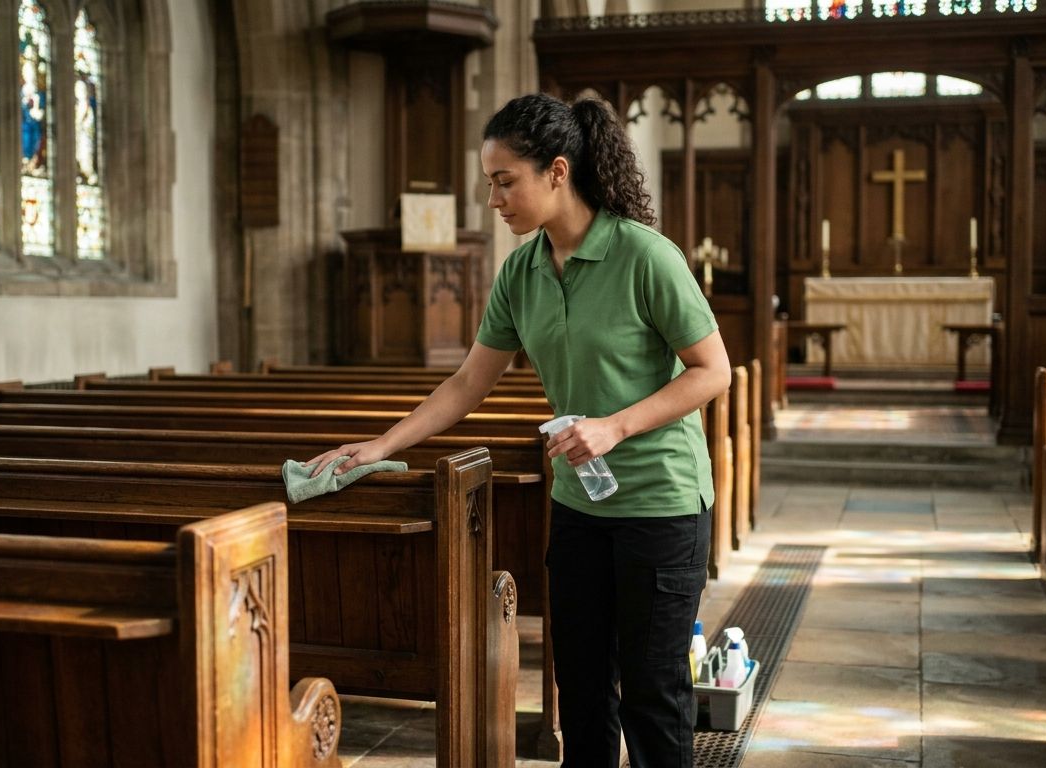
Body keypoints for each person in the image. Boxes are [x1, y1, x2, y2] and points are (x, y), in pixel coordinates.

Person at [308, 92, 730, 766]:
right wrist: (381, 445)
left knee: (654, 695)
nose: (495, 200)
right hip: (579, 506)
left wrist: (614, 427)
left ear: (557, 173)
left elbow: (713, 372)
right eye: (490, 184)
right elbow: (468, 383)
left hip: (661, 502)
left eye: (506, 182)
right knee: (585, 691)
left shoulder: (644, 256)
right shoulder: (521, 271)